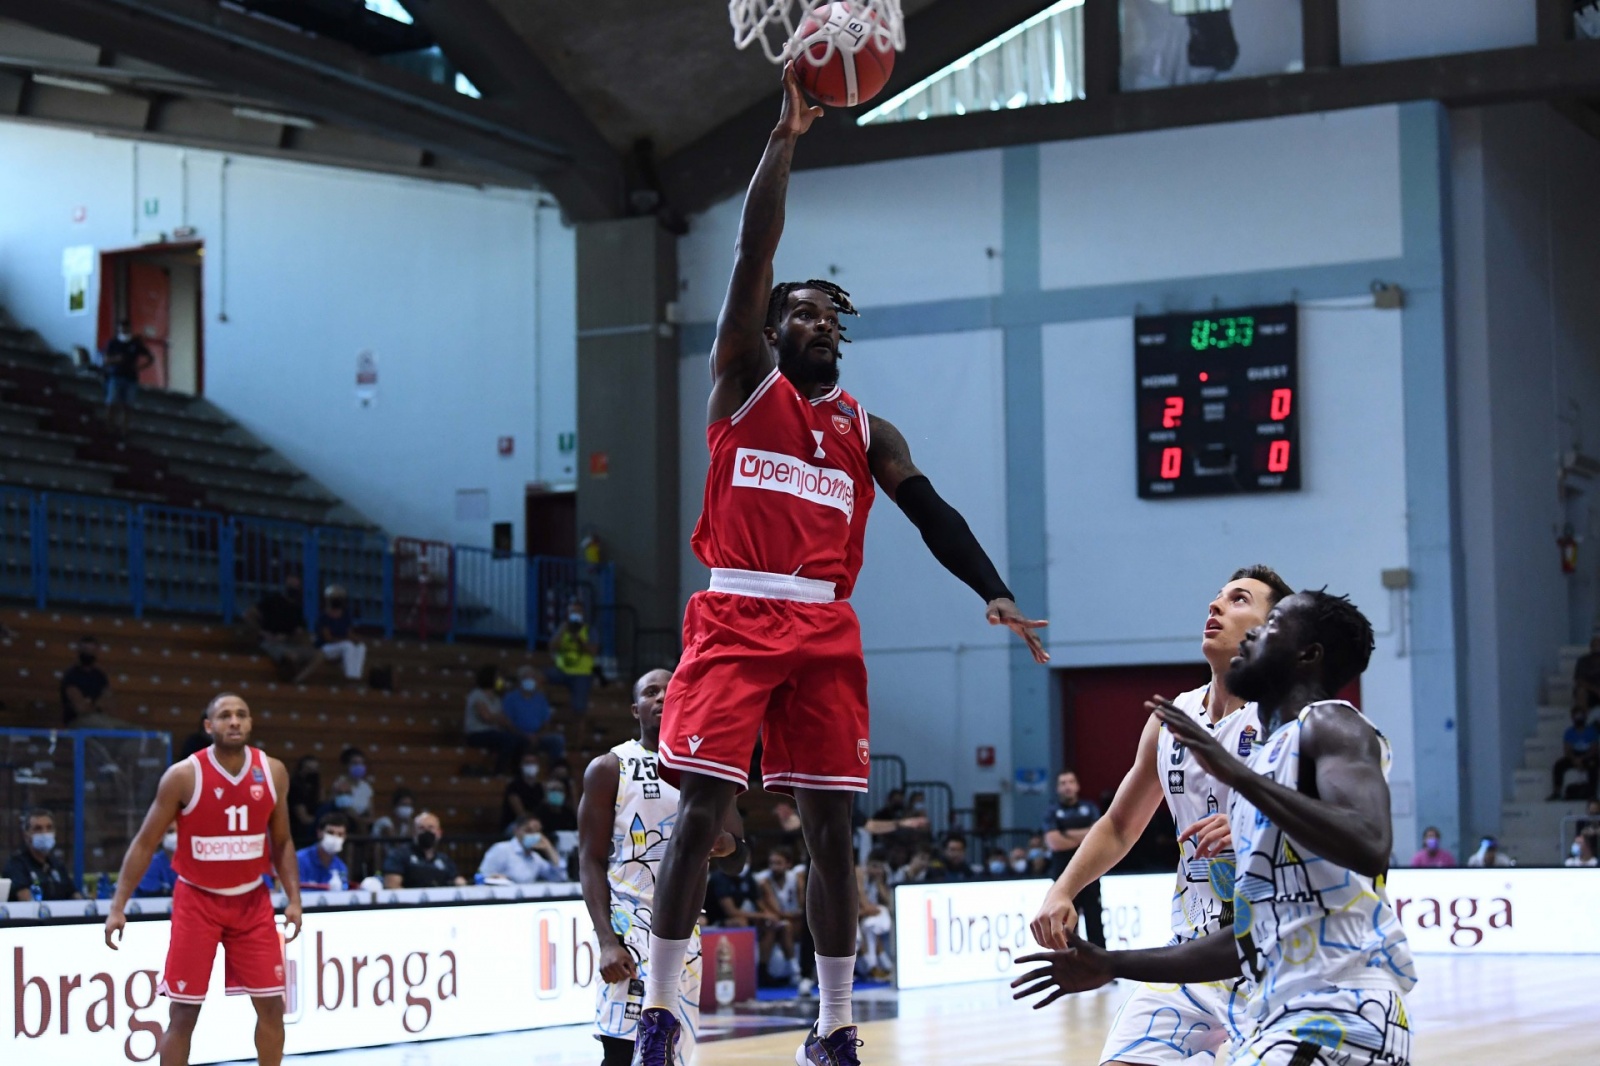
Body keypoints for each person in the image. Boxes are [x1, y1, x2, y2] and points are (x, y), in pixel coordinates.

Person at [638, 63, 1049, 1066]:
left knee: (834, 831)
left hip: (824, 624)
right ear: (772, 329)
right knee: (702, 810)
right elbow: (752, 248)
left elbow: (929, 510)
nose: (820, 321)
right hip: (738, 611)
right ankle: (660, 1009)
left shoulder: (868, 429)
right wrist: (783, 140)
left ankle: (830, 1026)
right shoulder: (742, 381)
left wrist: (991, 588)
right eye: (803, 311)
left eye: (831, 313)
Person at [1013, 589, 1416, 1066]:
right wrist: (1112, 962)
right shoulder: (1235, 748)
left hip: (1336, 1005)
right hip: (1259, 989)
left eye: (1267, 628)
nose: (1244, 634)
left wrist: (1236, 775)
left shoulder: (1331, 723)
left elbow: (1370, 843)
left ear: (1307, 654)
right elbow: (1246, 940)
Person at [1030, 565, 1291, 1065]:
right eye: (1215, 597)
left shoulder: (1291, 719)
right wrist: (1063, 889)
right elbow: (1120, 824)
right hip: (1190, 959)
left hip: (1276, 962)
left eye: (1238, 600)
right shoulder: (1170, 719)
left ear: (1271, 630)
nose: (1214, 607)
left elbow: (1341, 821)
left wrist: (1259, 824)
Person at [104, 694, 302, 1066]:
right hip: (197, 902)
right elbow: (145, 843)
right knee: (183, 1015)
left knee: (273, 1008)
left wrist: (294, 898)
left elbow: (282, 841)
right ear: (208, 726)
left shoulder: (272, 771)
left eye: (242, 714)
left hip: (252, 902)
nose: (234, 721)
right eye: (225, 715)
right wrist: (117, 907)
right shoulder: (183, 775)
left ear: (250, 723)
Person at [579, 668, 740, 1066]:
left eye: (671, 690)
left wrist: (726, 845)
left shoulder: (710, 771)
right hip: (629, 931)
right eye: (651, 692)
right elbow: (589, 859)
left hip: (685, 935)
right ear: (636, 709)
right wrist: (606, 942)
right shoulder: (610, 767)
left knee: (672, 1057)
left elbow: (740, 857)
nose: (662, 697)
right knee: (620, 1050)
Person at [1041, 770, 1106, 948]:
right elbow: (1054, 841)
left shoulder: (1090, 808)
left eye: (1070, 782)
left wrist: (1067, 833)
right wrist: (1085, 837)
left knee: (1095, 922)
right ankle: (1071, 969)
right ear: (1057, 788)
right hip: (1063, 878)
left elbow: (1099, 836)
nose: (1067, 786)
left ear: (1077, 786)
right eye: (1063, 783)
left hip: (1090, 875)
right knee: (1066, 926)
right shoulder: (1052, 812)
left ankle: (1100, 970)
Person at [244, 573, 316, 680]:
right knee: (291, 656)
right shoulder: (272, 601)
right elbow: (249, 614)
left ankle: (299, 680)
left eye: (296, 586)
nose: (293, 588)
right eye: (291, 585)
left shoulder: (297, 609)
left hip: (288, 643)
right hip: (270, 642)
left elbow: (299, 632)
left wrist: (287, 638)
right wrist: (262, 633)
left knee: (317, 654)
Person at [754, 847, 807, 984]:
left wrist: (796, 914)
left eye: (778, 863)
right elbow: (776, 912)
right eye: (771, 863)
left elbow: (803, 905)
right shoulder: (763, 881)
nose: (774, 867)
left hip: (797, 921)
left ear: (788, 864)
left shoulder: (795, 878)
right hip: (780, 922)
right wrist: (792, 915)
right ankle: (795, 971)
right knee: (782, 926)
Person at [4, 809, 82, 901]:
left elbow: (74, 895)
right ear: (26, 835)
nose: (45, 833)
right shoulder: (17, 865)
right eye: (38, 828)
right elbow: (26, 900)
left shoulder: (57, 865)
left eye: (49, 828)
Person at [465, 663, 528, 776]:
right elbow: (486, 717)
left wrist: (516, 730)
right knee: (508, 740)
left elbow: (502, 720)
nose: (501, 681)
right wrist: (499, 718)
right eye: (498, 678)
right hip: (477, 734)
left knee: (521, 740)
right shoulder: (477, 694)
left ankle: (516, 771)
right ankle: (499, 771)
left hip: (493, 733)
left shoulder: (497, 699)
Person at [381, 811, 466, 888]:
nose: (426, 831)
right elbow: (392, 885)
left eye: (431, 828)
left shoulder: (445, 860)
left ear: (439, 833)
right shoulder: (399, 855)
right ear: (414, 832)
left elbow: (458, 881)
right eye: (421, 828)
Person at [59, 634, 127, 728]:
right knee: (108, 729)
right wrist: (98, 704)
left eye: (91, 650)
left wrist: (91, 704)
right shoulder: (71, 676)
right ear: (79, 651)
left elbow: (110, 702)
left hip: (100, 718)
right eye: (86, 650)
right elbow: (81, 708)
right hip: (77, 721)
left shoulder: (100, 676)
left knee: (133, 731)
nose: (88, 653)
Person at [479, 813, 565, 884]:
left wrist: (549, 848)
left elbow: (559, 878)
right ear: (516, 830)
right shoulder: (501, 849)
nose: (533, 835)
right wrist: (496, 879)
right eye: (528, 830)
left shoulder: (535, 858)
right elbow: (481, 877)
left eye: (537, 831)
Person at [549, 600, 601, 713]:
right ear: (568, 613)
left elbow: (593, 651)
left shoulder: (589, 630)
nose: (575, 614)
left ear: (583, 614)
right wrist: (562, 630)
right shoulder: (562, 628)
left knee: (579, 709)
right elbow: (552, 646)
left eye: (578, 611)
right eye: (573, 611)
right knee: (538, 677)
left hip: (581, 673)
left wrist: (579, 640)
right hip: (561, 670)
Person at [102, 319, 153, 435]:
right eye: (122, 328)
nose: (124, 330)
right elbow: (105, 360)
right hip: (116, 375)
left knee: (127, 405)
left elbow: (150, 358)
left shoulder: (135, 344)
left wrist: (140, 367)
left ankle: (124, 430)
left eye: (126, 328)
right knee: (111, 403)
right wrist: (117, 359)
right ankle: (109, 427)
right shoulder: (113, 343)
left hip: (131, 378)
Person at [504, 664, 566, 759]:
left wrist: (537, 736)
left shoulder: (541, 699)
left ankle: (555, 770)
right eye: (526, 678)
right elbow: (507, 723)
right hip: (517, 735)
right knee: (514, 741)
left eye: (532, 678)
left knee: (558, 740)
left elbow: (546, 723)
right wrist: (525, 735)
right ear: (520, 680)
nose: (530, 680)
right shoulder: (510, 698)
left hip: (538, 736)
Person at [311, 584, 367, 683]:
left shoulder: (345, 616)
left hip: (342, 645)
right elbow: (328, 638)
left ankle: (356, 676)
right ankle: (350, 677)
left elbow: (349, 633)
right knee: (348, 646)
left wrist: (358, 639)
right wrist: (345, 640)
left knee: (361, 647)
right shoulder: (323, 617)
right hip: (326, 648)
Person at [1549, 705, 1599, 800]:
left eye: (1580, 716)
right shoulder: (1569, 733)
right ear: (1572, 718)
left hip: (1588, 756)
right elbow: (1567, 750)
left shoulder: (1592, 731)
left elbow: (1594, 749)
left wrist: (1583, 758)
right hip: (1574, 757)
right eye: (1576, 716)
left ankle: (1592, 794)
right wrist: (1575, 759)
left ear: (1585, 717)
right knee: (1558, 765)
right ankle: (1557, 792)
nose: (1578, 718)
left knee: (1593, 766)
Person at [857, 851, 893, 980]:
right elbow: (864, 904)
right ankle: (881, 966)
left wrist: (879, 882)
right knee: (870, 924)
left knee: (871, 924)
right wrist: (868, 910)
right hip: (850, 915)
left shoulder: (877, 879)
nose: (877, 870)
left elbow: (889, 902)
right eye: (874, 866)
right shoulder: (859, 873)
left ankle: (874, 966)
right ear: (867, 864)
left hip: (863, 918)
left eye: (880, 867)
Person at [297, 812, 350, 891]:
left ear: (345, 837)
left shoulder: (341, 867)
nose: (335, 838)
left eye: (340, 834)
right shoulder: (298, 860)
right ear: (319, 833)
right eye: (330, 833)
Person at [503, 752, 547, 833]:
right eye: (527, 763)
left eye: (533, 763)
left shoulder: (541, 787)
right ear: (521, 765)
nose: (530, 765)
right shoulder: (513, 786)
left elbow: (544, 809)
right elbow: (521, 814)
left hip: (537, 823)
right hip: (516, 824)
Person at [134, 822, 181, 897]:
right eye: (170, 832)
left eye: (179, 831)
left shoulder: (191, 863)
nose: (175, 836)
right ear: (160, 836)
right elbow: (150, 891)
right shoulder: (151, 863)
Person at [286, 754, 322, 849]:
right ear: (302, 769)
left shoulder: (314, 786)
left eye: (315, 769)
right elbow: (303, 818)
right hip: (298, 834)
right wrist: (320, 822)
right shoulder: (296, 786)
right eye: (310, 769)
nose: (313, 773)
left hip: (311, 830)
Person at [336, 746, 374, 823]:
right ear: (346, 765)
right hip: (347, 822)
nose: (359, 766)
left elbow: (371, 810)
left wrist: (368, 819)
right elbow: (346, 810)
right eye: (355, 763)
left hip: (364, 822)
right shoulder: (340, 784)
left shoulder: (366, 786)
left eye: (361, 763)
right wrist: (360, 821)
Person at [1572, 633, 1600, 713]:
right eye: (1595, 645)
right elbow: (1579, 680)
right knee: (1581, 691)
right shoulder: (1583, 661)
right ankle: (1583, 719)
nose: (1597, 647)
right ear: (1591, 647)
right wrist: (1596, 690)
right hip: (1589, 691)